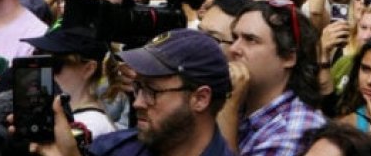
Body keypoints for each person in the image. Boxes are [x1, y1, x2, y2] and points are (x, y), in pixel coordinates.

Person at [37, 27, 235, 155]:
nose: (137, 102)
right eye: (137, 87)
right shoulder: (112, 149)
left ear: (200, 98)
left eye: (152, 91)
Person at [226, 0, 326, 155]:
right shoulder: (241, 101)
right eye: (234, 38)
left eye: (251, 40)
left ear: (288, 57)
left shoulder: (294, 130)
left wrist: (228, 108)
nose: (234, 48)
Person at [24, 26, 116, 139]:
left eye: (54, 64)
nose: (43, 72)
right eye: (38, 58)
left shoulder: (92, 125)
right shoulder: (54, 112)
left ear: (88, 69)